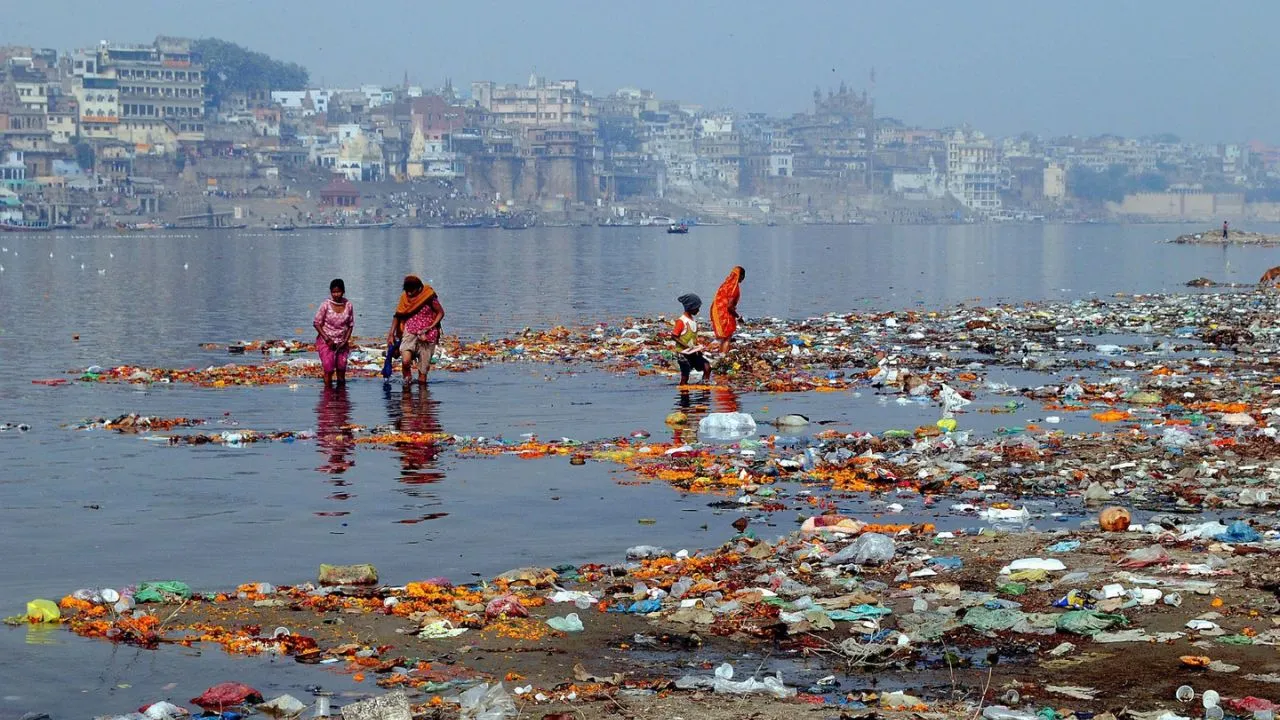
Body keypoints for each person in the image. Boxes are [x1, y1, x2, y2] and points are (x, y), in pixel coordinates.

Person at [389, 275, 444, 385]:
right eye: (407, 291)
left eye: (412, 291)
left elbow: (440, 312)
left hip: (427, 336)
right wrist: (391, 333)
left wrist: (431, 326)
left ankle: (422, 398)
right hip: (409, 332)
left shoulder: (428, 296)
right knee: (405, 361)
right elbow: (398, 315)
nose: (409, 294)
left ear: (419, 289)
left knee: (422, 373)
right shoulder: (404, 298)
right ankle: (407, 388)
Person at [313, 278, 354, 387]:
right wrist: (327, 339)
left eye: (338, 292)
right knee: (329, 368)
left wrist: (345, 341)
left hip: (341, 341)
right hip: (327, 340)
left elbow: (350, 325)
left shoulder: (348, 305)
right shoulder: (325, 305)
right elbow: (316, 323)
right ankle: (328, 395)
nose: (336, 294)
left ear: (343, 291)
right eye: (334, 292)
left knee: (341, 367)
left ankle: (341, 397)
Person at [673, 293, 711, 385]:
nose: (698, 310)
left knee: (707, 367)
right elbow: (674, 336)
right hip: (683, 354)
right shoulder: (681, 321)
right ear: (690, 307)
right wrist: (686, 346)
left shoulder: (693, 321)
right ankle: (683, 393)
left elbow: (693, 338)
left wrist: (697, 348)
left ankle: (704, 386)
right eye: (696, 307)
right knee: (685, 375)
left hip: (692, 352)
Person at [710, 265, 746, 354]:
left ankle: (720, 355)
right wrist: (738, 317)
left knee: (724, 337)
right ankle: (723, 356)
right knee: (727, 337)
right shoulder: (734, 288)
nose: (743, 279)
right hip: (726, 314)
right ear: (740, 276)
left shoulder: (726, 284)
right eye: (743, 276)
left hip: (718, 312)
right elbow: (729, 306)